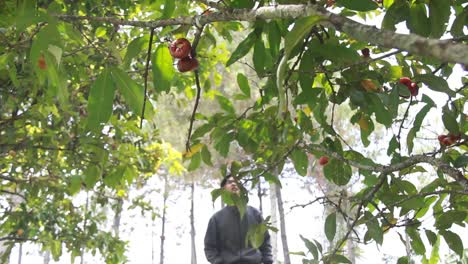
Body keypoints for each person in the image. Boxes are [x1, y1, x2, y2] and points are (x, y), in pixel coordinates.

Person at [204, 175, 273, 264]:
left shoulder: (255, 214)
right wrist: (218, 262)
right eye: (229, 182)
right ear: (223, 189)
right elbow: (209, 247)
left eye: (237, 182)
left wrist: (268, 261)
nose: (234, 184)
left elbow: (265, 241)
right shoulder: (216, 219)